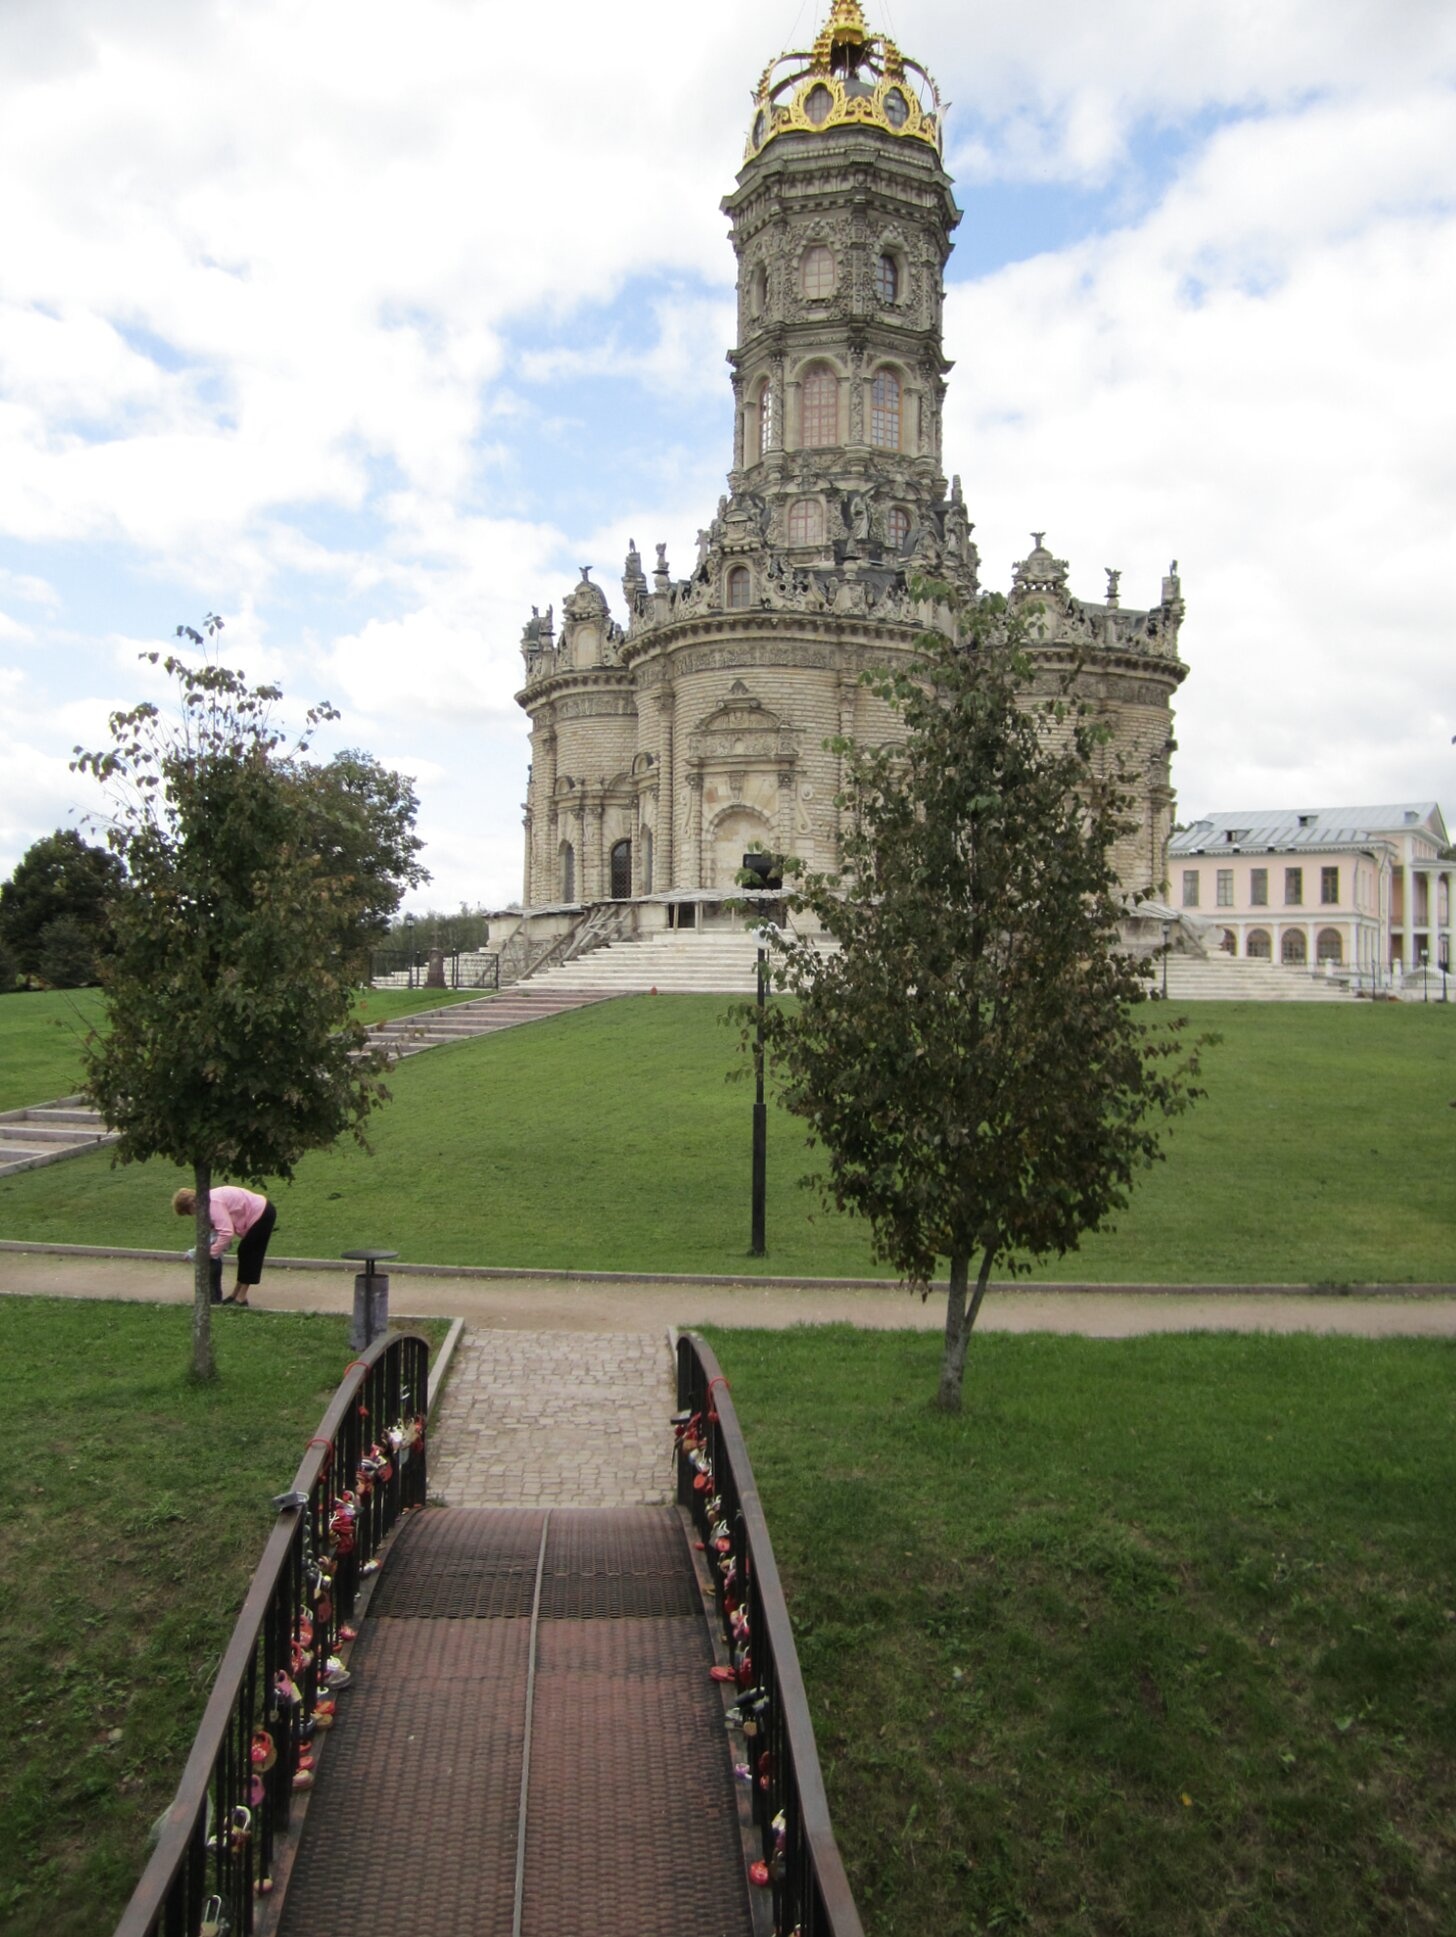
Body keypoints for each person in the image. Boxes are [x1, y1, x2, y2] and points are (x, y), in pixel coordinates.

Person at [172, 1184, 278, 1308]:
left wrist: (211, 1253)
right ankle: (235, 1295)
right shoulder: (208, 1202)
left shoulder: (212, 1204)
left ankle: (241, 1298)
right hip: (259, 1212)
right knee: (244, 1252)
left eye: (188, 1212)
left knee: (250, 1254)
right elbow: (217, 1228)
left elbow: (226, 1233)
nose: (192, 1215)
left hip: (262, 1213)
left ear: (191, 1204)